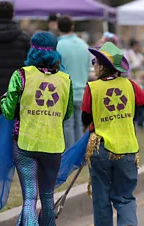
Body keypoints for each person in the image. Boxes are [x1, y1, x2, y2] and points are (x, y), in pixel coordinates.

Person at [0, 31, 73, 226]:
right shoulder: (65, 79)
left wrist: (4, 100)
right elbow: (67, 113)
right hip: (53, 146)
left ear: (31, 50)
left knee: (30, 197)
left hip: (25, 144)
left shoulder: (21, 75)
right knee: (48, 196)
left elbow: (9, 111)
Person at [81, 42, 144, 226]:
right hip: (127, 149)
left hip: (100, 148)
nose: (94, 66)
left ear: (103, 67)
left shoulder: (92, 88)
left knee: (101, 199)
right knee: (124, 196)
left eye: (96, 62)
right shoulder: (130, 85)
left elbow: (85, 118)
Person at [56, 16, 90, 149]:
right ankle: (79, 154)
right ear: (72, 26)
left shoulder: (58, 45)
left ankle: (69, 155)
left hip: (63, 92)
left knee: (67, 126)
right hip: (81, 91)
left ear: (58, 28)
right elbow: (88, 67)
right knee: (79, 125)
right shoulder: (84, 45)